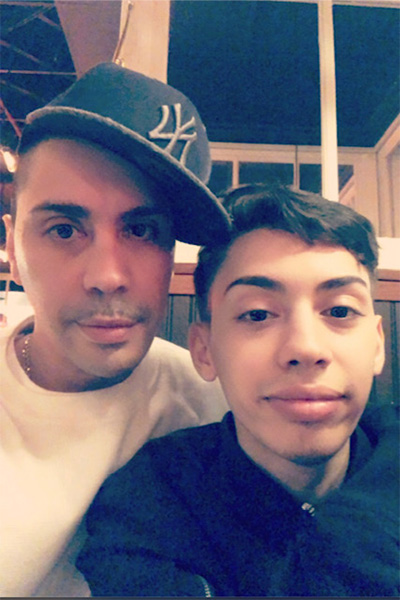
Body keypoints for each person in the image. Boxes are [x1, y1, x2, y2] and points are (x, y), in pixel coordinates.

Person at [78, 184, 399, 597]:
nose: (306, 349)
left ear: (377, 344)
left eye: (339, 311)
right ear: (205, 350)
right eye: (257, 314)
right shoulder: (148, 504)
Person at [0, 62, 230, 597]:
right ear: (11, 247)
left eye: (142, 230)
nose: (107, 276)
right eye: (63, 229)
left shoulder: (218, 407)